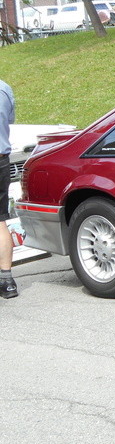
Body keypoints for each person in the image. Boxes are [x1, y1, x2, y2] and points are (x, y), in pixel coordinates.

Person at [0, 78, 17, 298]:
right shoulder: (4, 88)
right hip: (1, 161)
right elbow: (9, 120)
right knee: (0, 220)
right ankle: (7, 281)